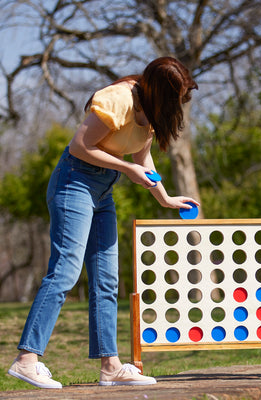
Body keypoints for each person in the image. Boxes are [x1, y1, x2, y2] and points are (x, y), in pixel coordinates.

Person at [8, 56, 200, 389]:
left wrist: (165, 197)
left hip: (103, 192)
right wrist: (126, 170)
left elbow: (142, 157)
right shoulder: (118, 99)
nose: (178, 106)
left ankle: (110, 366)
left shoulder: (150, 112)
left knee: (106, 280)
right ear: (159, 90)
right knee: (66, 270)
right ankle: (26, 360)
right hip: (74, 183)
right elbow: (80, 146)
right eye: (176, 97)